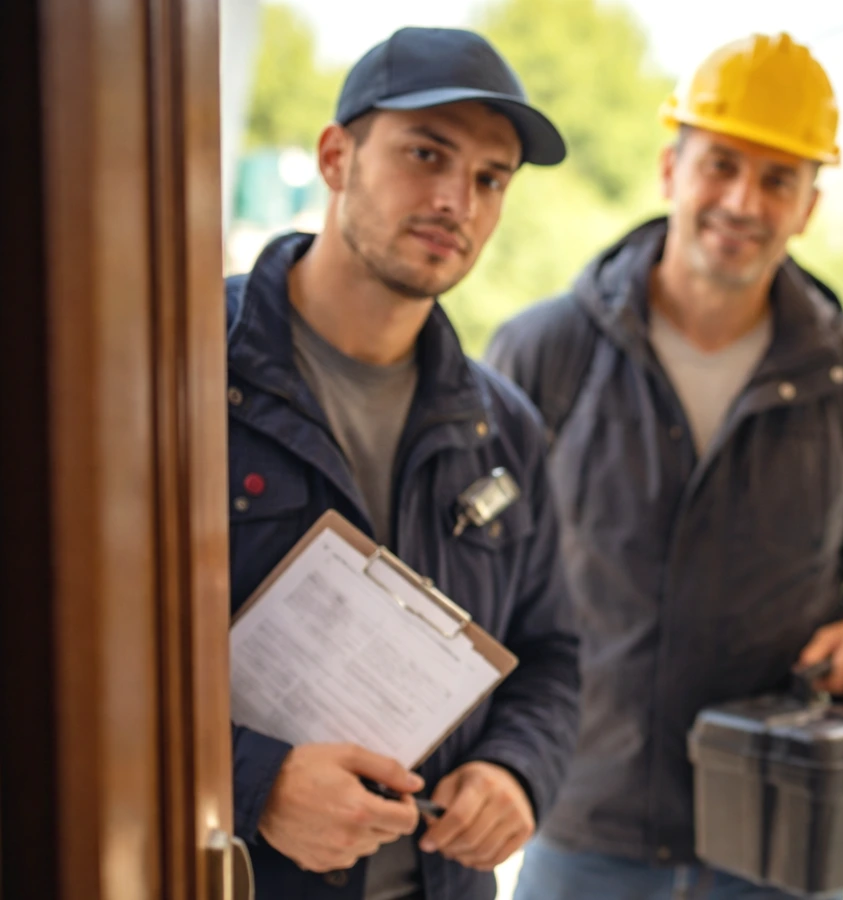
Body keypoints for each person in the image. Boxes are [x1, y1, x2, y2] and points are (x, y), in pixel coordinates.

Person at [485, 32, 843, 900]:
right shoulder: (547, 352)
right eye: (721, 164)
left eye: (778, 180)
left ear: (808, 205)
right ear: (669, 169)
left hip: (779, 834)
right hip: (582, 823)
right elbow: (474, 569)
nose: (743, 200)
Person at [225, 27, 579, 900]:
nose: (458, 199)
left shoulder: (505, 428)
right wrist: (250, 782)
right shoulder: (180, 372)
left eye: (491, 178)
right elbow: (69, 655)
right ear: (336, 157)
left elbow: (556, 653)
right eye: (428, 154)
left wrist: (515, 772)